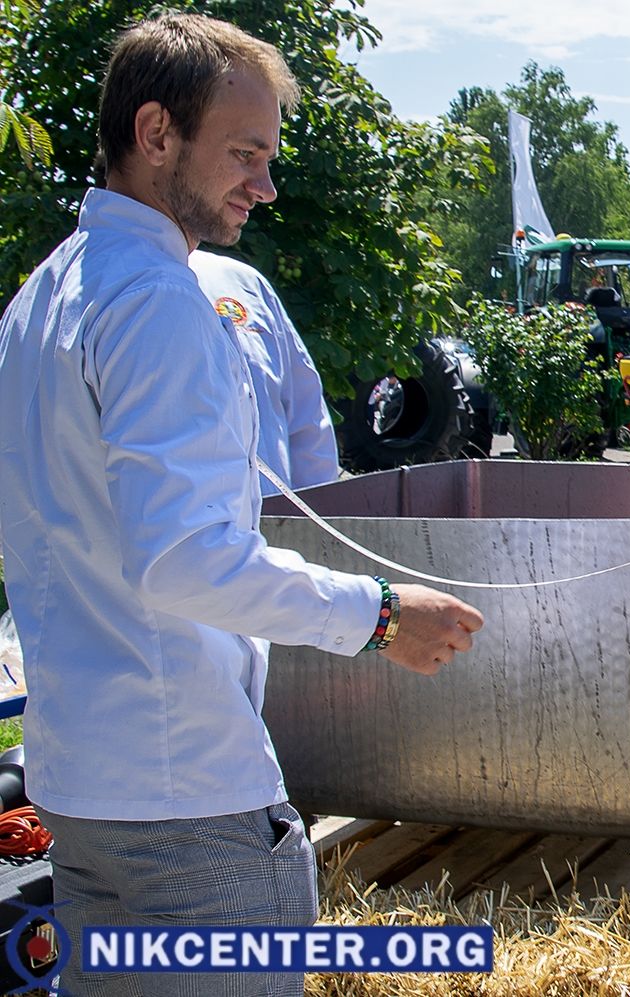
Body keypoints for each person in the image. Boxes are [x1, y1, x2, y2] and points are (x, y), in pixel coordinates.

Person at [0, 13, 485, 996]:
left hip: (81, 788)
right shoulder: (159, 300)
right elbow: (184, 559)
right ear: (155, 133)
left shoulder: (40, 299)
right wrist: (380, 614)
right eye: (244, 154)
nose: (264, 186)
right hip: (188, 806)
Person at [190, 249, 341, 494]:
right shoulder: (126, 277)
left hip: (277, 513)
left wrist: (317, 511)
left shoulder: (242, 282)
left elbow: (307, 419)